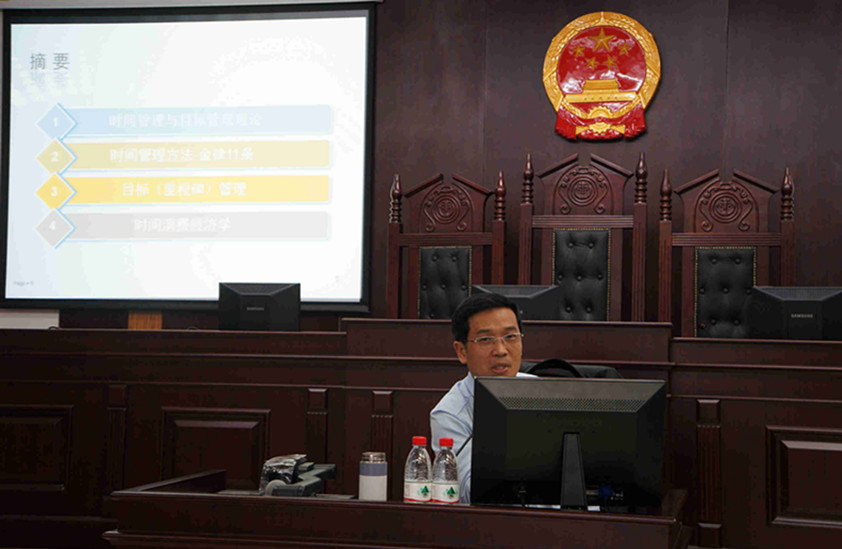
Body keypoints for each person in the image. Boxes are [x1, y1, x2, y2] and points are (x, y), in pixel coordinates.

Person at [429, 292, 534, 503]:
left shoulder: (540, 389)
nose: (501, 350)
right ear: (462, 351)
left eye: (510, 337)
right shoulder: (449, 414)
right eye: (485, 339)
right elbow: (469, 492)